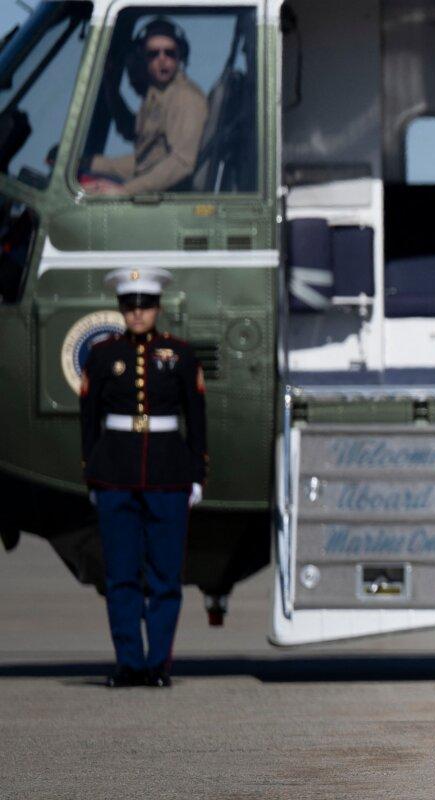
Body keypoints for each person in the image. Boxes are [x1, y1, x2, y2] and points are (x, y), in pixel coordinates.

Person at [80, 267, 208, 688]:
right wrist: (91, 473)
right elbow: (88, 419)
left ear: (157, 308)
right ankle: (129, 663)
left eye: (145, 306)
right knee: (120, 575)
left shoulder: (181, 355)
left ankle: (158, 665)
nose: (138, 314)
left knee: (165, 576)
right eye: (130, 306)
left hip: (168, 474)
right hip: (115, 473)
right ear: (121, 309)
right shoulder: (102, 356)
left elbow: (196, 417)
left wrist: (196, 474)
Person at [85, 17, 208, 195]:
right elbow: (143, 154)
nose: (162, 59)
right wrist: (89, 163)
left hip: (166, 199)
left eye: (169, 53)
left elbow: (182, 163)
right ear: (143, 58)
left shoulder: (185, 98)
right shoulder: (157, 94)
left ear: (180, 55)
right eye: (153, 54)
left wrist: (124, 191)